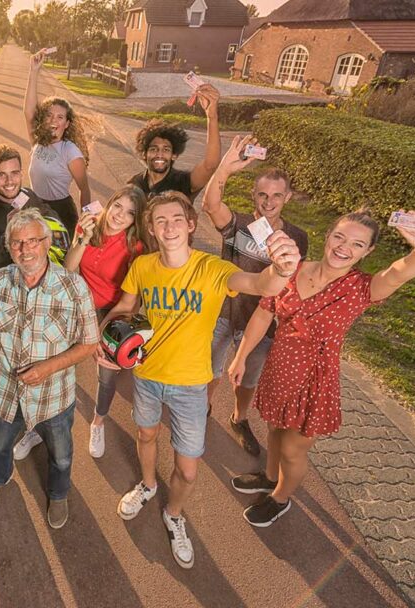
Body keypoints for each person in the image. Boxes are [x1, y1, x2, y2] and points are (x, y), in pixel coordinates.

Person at [103, 191, 300, 569]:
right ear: (151, 229)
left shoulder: (212, 269)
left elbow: (262, 285)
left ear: (191, 224)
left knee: (188, 469)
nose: (169, 226)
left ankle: (174, 514)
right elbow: (127, 307)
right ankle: (147, 485)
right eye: (160, 221)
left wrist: (283, 270)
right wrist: (106, 339)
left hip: (191, 385)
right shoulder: (143, 266)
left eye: (177, 218)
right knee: (145, 435)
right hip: (145, 375)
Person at [229, 209, 415, 527]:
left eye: (357, 244)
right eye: (339, 237)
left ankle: (281, 498)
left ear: (368, 252)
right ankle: (269, 477)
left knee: (291, 450)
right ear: (328, 236)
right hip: (280, 368)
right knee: (273, 429)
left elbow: (399, 272)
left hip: (314, 380)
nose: (344, 247)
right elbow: (263, 311)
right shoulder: (292, 269)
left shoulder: (361, 289)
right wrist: (241, 356)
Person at [0, 208, 98, 530]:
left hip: (53, 398)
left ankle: (58, 494)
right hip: (5, 392)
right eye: (17, 243)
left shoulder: (74, 288)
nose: (25, 249)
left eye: (33, 240)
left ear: (47, 243)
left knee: (60, 455)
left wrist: (49, 367)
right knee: (0, 444)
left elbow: (89, 343)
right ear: (8, 247)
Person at [202, 136, 310, 456]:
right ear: (254, 195)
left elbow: (293, 284)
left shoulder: (297, 237)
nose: (269, 201)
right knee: (210, 370)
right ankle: (202, 410)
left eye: (277, 195)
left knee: (247, 379)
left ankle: (239, 418)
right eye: (262, 194)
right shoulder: (237, 225)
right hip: (222, 312)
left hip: (261, 322)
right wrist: (224, 168)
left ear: (287, 197)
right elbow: (210, 205)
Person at [0, 144, 71, 459]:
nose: (10, 181)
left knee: (31, 366)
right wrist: (7, 234)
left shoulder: (32, 199)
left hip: (33, 304)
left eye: (14, 173)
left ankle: (28, 423)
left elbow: (59, 238)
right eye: (2, 175)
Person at [62, 185, 150, 458]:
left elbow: (132, 300)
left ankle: (98, 421)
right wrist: (83, 240)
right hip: (78, 304)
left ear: (135, 220)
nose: (120, 216)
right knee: (61, 355)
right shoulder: (89, 225)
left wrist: (105, 331)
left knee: (107, 370)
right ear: (109, 204)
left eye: (129, 213)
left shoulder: (135, 247)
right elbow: (68, 268)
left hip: (111, 310)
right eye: (118, 206)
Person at [25, 49, 92, 235]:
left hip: (61, 212)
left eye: (60, 117)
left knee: (61, 262)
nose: (54, 120)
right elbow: (29, 112)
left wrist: (86, 224)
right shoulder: (38, 141)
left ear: (67, 123)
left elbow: (84, 189)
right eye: (49, 115)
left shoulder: (70, 151)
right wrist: (34, 71)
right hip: (36, 208)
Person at [127, 84, 222, 203]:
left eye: (166, 149)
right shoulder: (134, 184)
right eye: (153, 149)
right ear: (144, 154)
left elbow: (210, 165)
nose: (159, 154)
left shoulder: (183, 182)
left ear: (174, 155)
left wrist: (211, 116)